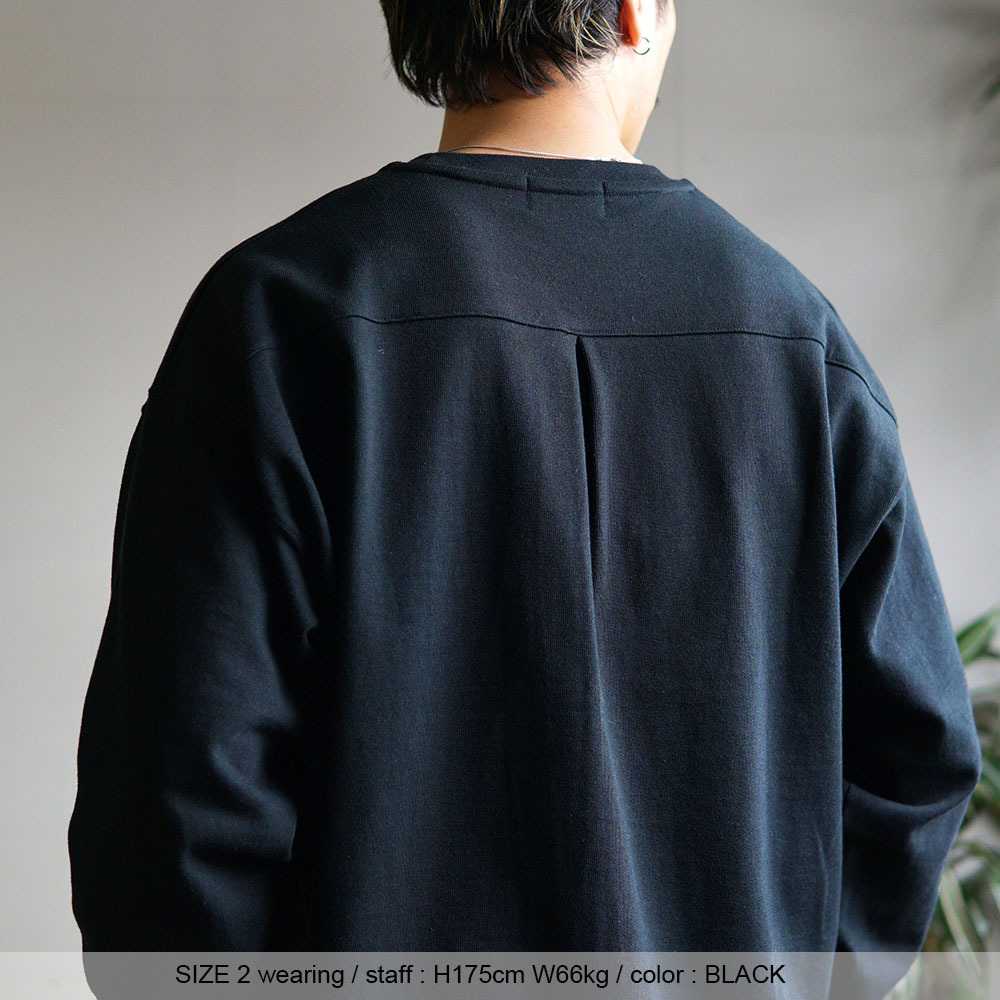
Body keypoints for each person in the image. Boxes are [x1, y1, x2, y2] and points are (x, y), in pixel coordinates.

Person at [69, 0, 981, 970]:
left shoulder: (276, 318)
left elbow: (174, 807)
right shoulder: (799, 344)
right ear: (634, 11)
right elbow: (916, 758)